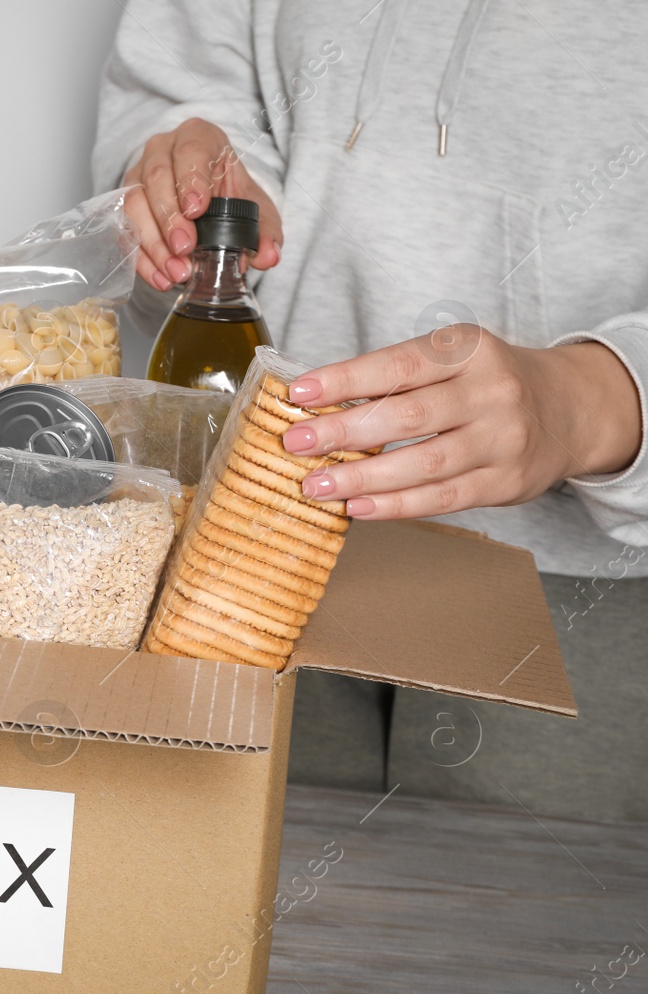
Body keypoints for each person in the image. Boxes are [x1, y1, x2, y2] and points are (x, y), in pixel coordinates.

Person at [94, 1, 648, 821]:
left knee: (528, 930)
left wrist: (590, 403)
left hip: (573, 594)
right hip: (247, 543)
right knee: (203, 904)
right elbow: (179, 89)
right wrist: (179, 188)